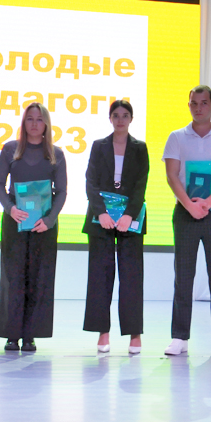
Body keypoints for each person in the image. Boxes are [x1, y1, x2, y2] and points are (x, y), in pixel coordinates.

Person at [162, 85, 211, 357]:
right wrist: (190, 205)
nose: (198, 108)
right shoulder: (176, 137)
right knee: (183, 277)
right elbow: (172, 176)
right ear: (189, 105)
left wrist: (207, 203)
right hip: (185, 214)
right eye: (194, 103)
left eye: (204, 103)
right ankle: (179, 337)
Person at [0, 102, 67, 352]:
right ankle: (11, 335)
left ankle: (30, 336)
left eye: (39, 119)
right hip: (15, 221)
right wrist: (10, 209)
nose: (34, 124)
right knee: (13, 278)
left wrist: (50, 220)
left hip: (43, 225)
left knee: (39, 278)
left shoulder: (56, 153)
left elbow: (62, 191)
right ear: (23, 122)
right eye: (30, 119)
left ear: (46, 124)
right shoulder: (10, 149)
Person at [82, 100, 149, 354]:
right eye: (116, 115)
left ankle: (134, 334)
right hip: (101, 219)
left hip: (130, 220)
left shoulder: (140, 148)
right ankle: (103, 332)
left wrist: (129, 215)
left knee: (131, 278)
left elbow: (141, 184)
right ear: (110, 118)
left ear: (131, 119)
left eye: (125, 115)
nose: (120, 120)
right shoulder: (99, 146)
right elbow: (90, 182)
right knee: (100, 277)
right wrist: (101, 213)